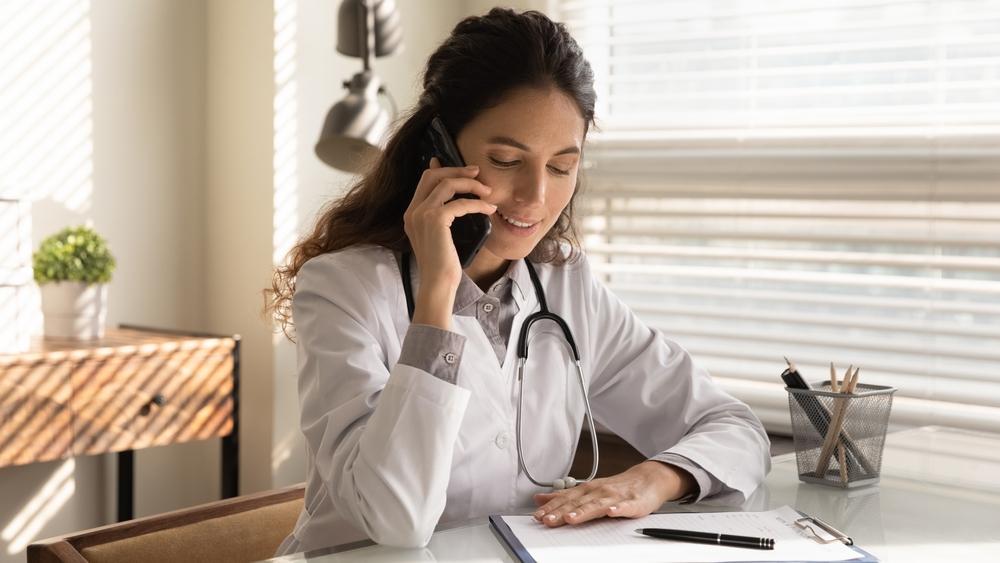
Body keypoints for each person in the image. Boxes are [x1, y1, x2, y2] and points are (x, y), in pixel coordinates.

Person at [267, 8, 770, 554]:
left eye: (560, 167)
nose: (536, 197)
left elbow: (734, 427)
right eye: (507, 160)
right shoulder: (343, 289)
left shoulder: (566, 286)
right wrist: (437, 295)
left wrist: (654, 478)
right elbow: (395, 520)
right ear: (439, 150)